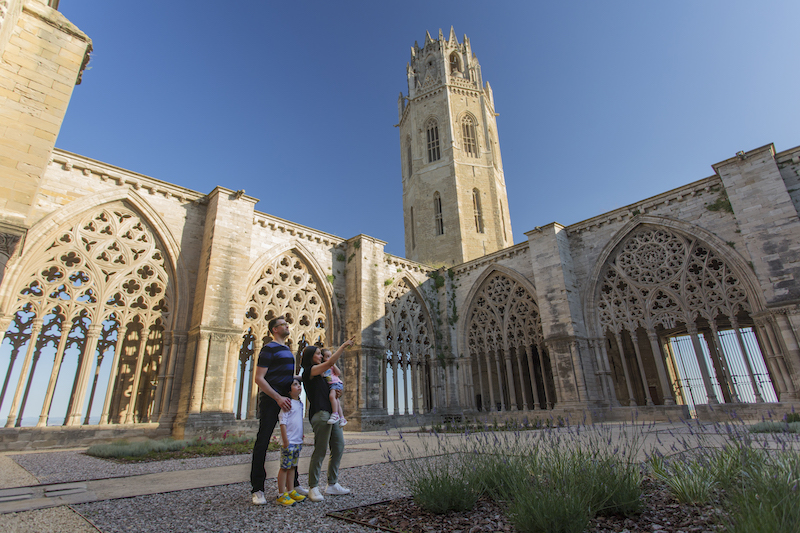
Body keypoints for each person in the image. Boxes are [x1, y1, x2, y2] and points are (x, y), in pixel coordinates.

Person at [250, 316, 307, 505]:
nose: (287, 326)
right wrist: (277, 397)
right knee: (263, 440)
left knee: (291, 442)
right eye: (283, 324)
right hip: (271, 400)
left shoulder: (287, 351)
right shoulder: (268, 349)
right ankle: (258, 489)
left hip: (287, 401)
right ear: (274, 329)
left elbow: (287, 376)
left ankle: (293, 485)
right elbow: (259, 378)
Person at [300, 338, 355, 502]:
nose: (320, 356)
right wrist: (343, 346)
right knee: (321, 450)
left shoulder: (323, 375)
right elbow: (331, 361)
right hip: (321, 414)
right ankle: (313, 486)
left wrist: (338, 393)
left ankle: (332, 484)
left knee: (339, 446)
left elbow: (333, 387)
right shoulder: (309, 371)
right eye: (318, 353)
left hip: (332, 414)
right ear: (311, 357)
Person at [276, 377, 306, 506]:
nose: (299, 386)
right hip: (289, 442)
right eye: (295, 384)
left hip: (297, 441)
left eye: (299, 384)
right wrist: (285, 440)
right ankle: (281, 494)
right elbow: (282, 422)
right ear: (288, 390)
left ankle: (291, 490)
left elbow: (298, 422)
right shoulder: (287, 403)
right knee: (284, 467)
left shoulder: (300, 403)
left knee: (293, 467)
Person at [321, 348, 346, 426]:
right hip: (331, 384)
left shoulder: (331, 366)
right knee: (336, 401)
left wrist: (333, 364)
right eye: (327, 357)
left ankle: (335, 414)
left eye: (330, 356)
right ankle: (342, 418)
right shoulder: (323, 367)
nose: (330, 358)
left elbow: (338, 373)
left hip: (336, 383)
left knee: (332, 396)